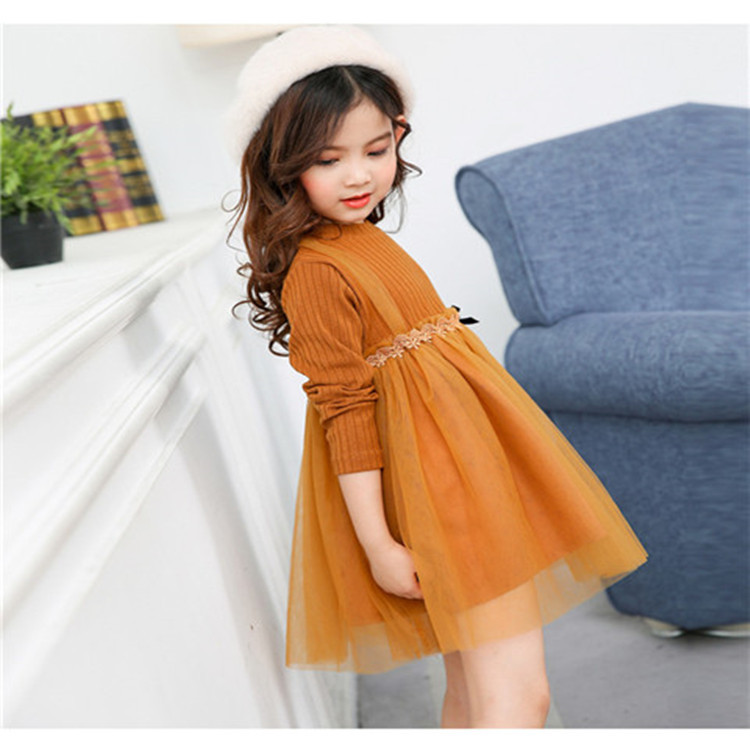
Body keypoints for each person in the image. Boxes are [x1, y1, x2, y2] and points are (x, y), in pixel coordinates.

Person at [223, 25, 649, 729]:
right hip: (442, 496)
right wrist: (379, 544)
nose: (358, 176)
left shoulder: (358, 239)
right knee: (518, 696)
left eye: (376, 150)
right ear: (282, 164)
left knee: (475, 692)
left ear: (398, 135)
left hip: (463, 476)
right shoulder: (318, 269)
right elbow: (344, 411)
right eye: (328, 159)